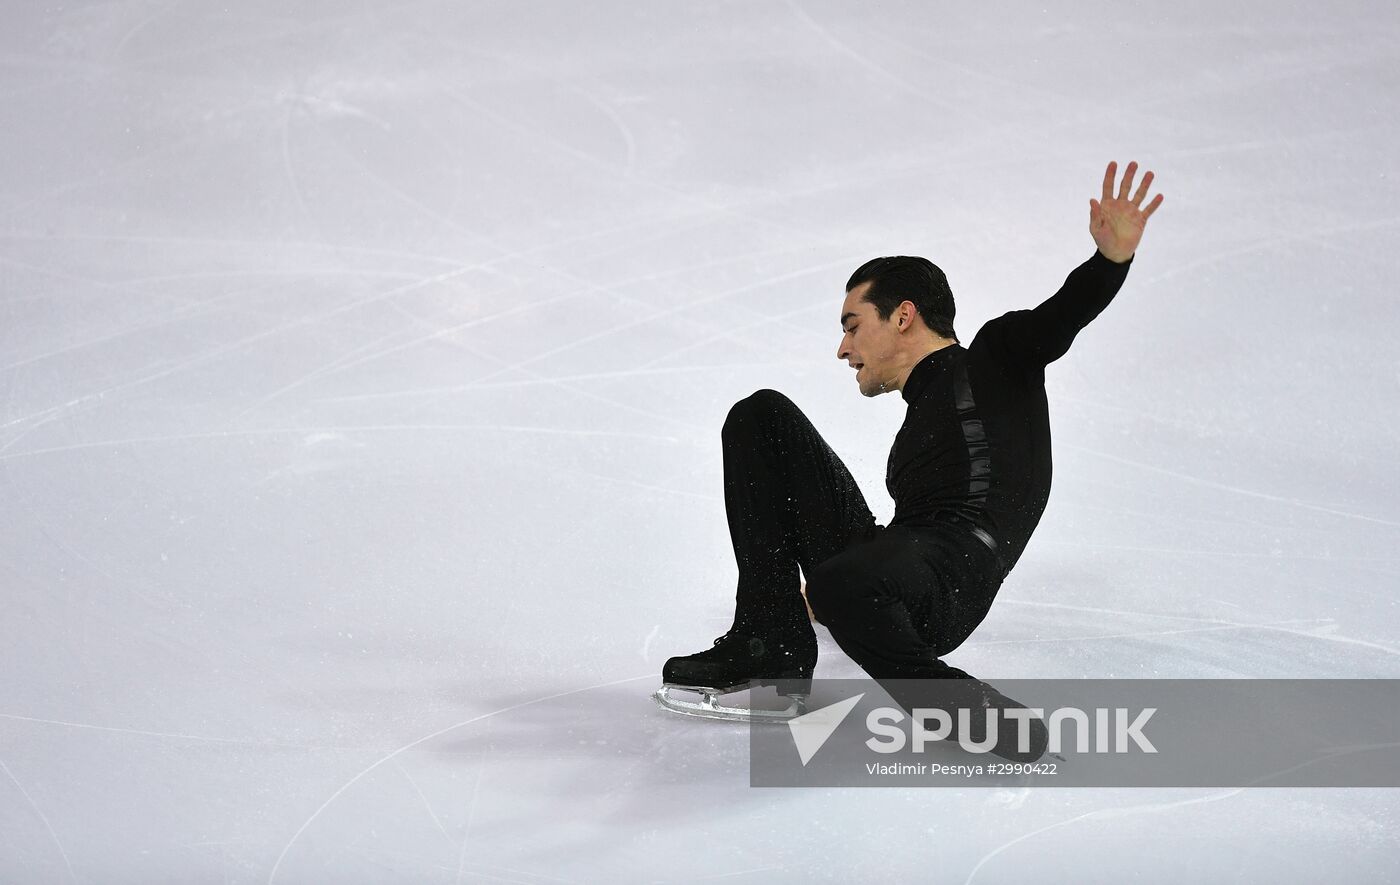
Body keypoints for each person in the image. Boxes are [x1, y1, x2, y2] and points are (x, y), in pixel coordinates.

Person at [659, 161, 1164, 761]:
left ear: (902, 315)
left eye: (852, 325)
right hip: (897, 560)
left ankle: (951, 703)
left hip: (949, 582)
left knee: (839, 579)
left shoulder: (996, 361)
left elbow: (1062, 315)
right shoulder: (924, 413)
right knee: (761, 416)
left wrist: (1109, 262)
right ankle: (769, 644)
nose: (843, 347)